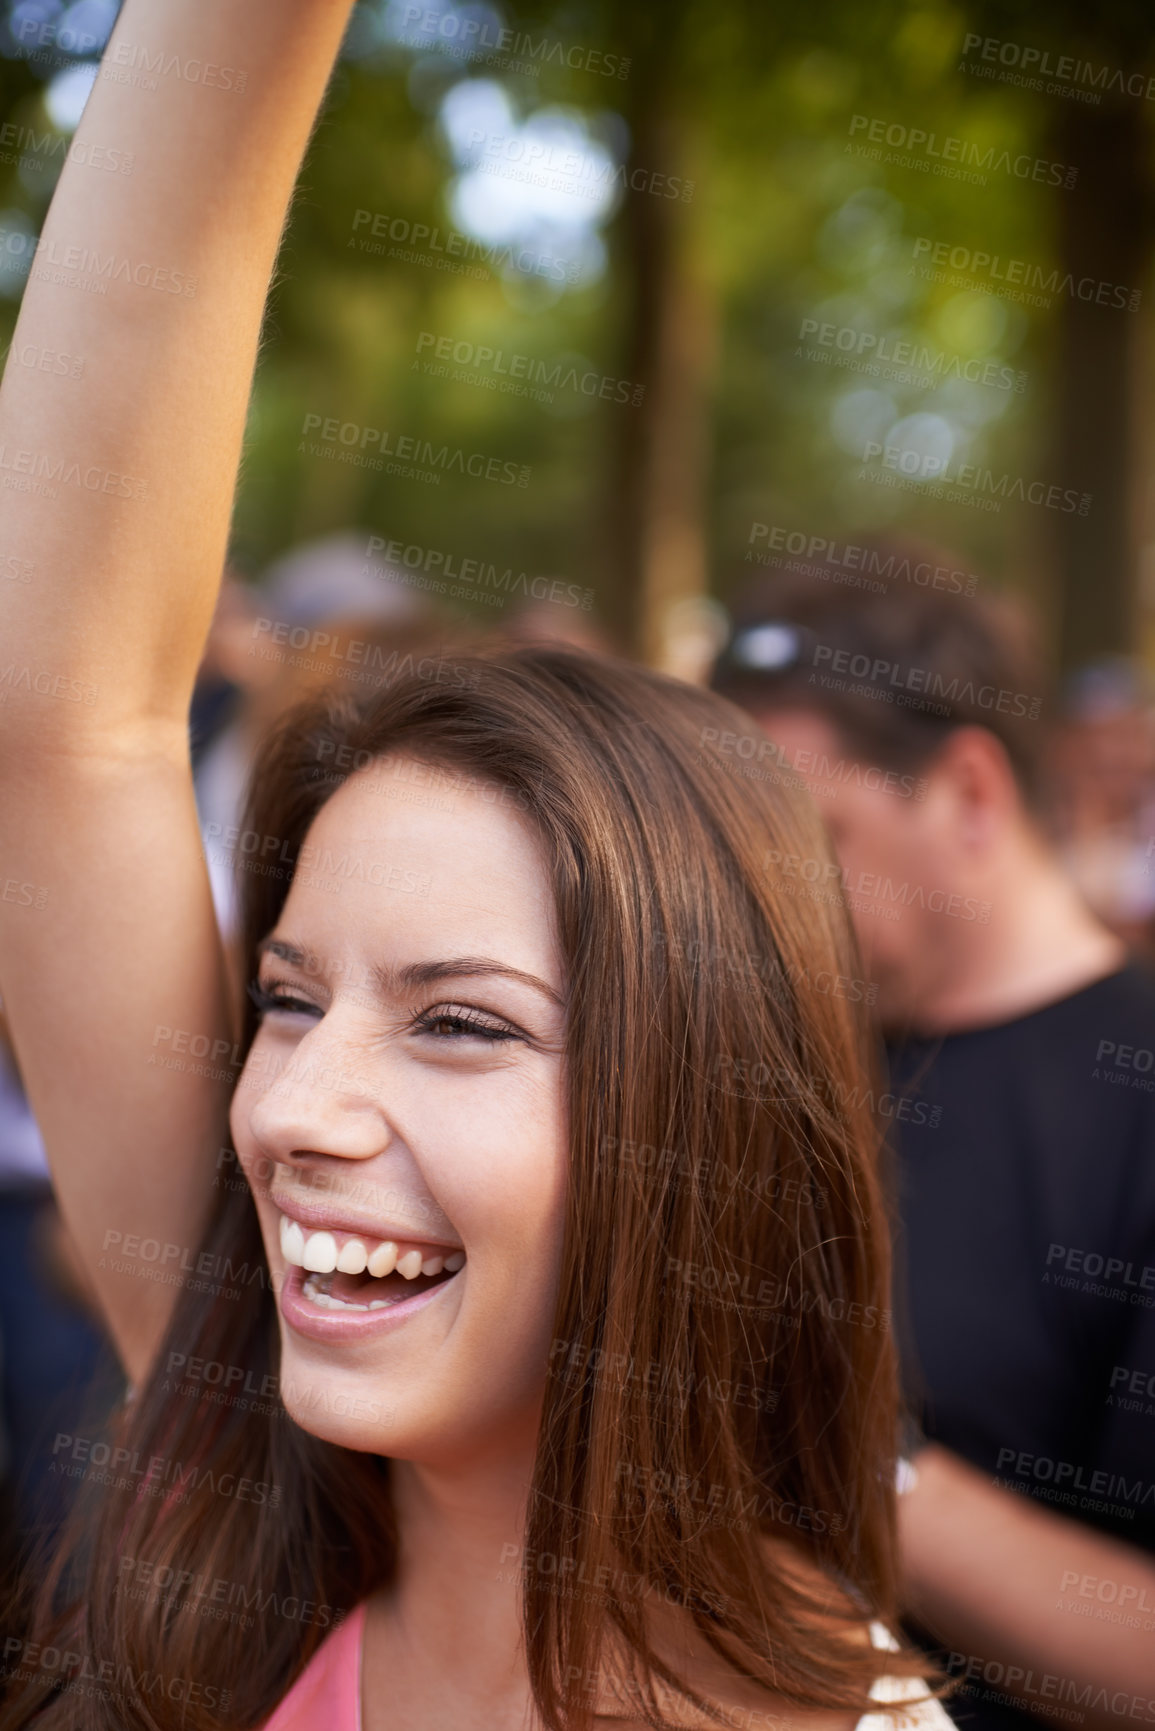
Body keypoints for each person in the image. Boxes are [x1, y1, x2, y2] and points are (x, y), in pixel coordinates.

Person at [0, 8, 952, 1728]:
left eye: (463, 1024)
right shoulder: (266, 1473)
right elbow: (62, 724)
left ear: (703, 1119)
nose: (295, 1109)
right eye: (289, 998)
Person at [711, 556, 1155, 1731]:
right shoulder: (781, 1045)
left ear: (966, 792)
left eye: (814, 841)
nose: (765, 905)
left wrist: (851, 1459)